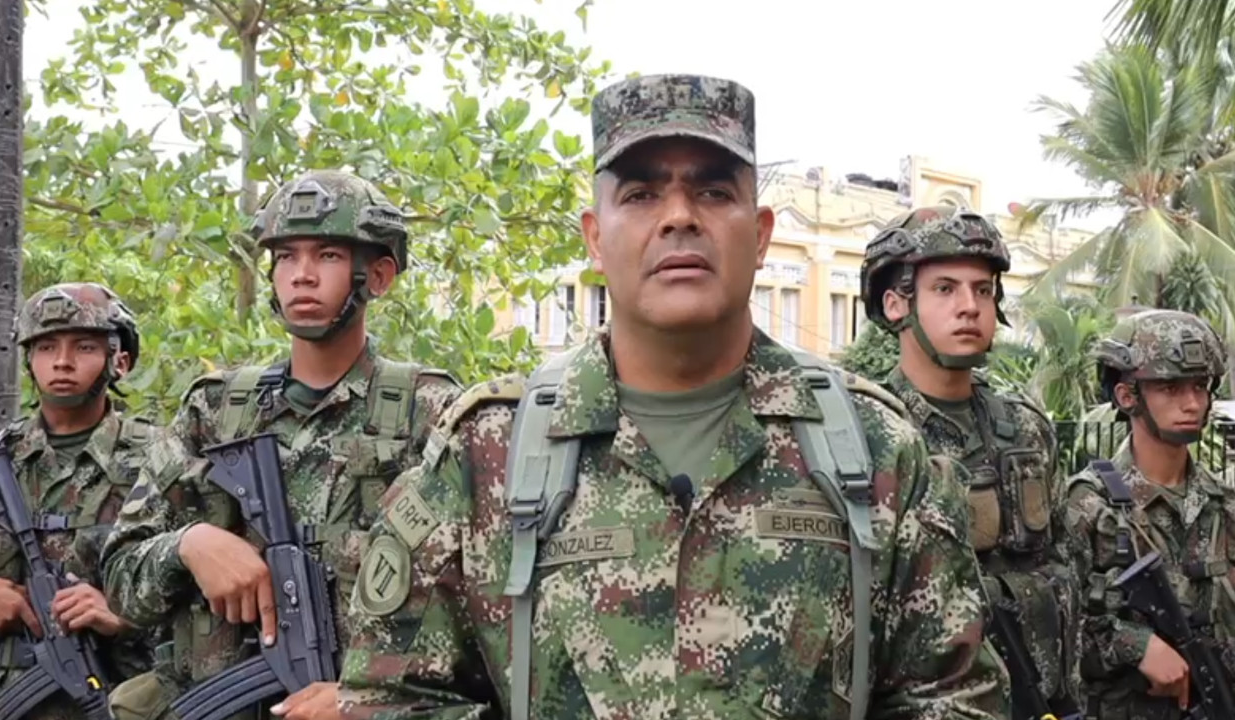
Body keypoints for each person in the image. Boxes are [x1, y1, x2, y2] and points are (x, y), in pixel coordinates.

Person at [337, 73, 1007, 720]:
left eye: (714, 192)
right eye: (641, 195)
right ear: (595, 239)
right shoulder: (486, 453)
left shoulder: (872, 448)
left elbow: (954, 697)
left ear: (763, 233)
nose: (679, 217)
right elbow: (390, 696)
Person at [100, 170, 462, 720]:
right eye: (287, 257)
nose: (303, 276)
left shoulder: (430, 410)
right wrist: (190, 545)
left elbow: (477, 605)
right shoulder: (215, 411)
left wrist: (367, 700)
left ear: (380, 275)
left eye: (328, 256)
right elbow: (122, 580)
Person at [859, 207, 1082, 718]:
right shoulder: (868, 435)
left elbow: (1068, 562)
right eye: (945, 289)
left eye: (983, 290)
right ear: (896, 305)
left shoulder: (1026, 426)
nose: (970, 307)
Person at [0, 282, 157, 719]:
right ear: (29, 359)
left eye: (84, 346)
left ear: (119, 361)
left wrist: (122, 611)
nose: (62, 362)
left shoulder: (160, 461)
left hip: (116, 701)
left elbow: (205, 599)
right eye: (46, 347)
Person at [1061, 309, 1235, 718]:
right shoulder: (1089, 504)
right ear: (1126, 396)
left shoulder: (1224, 505)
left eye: (1199, 386)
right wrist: (1134, 646)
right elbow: (1050, 633)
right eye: (1170, 387)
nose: (1192, 402)